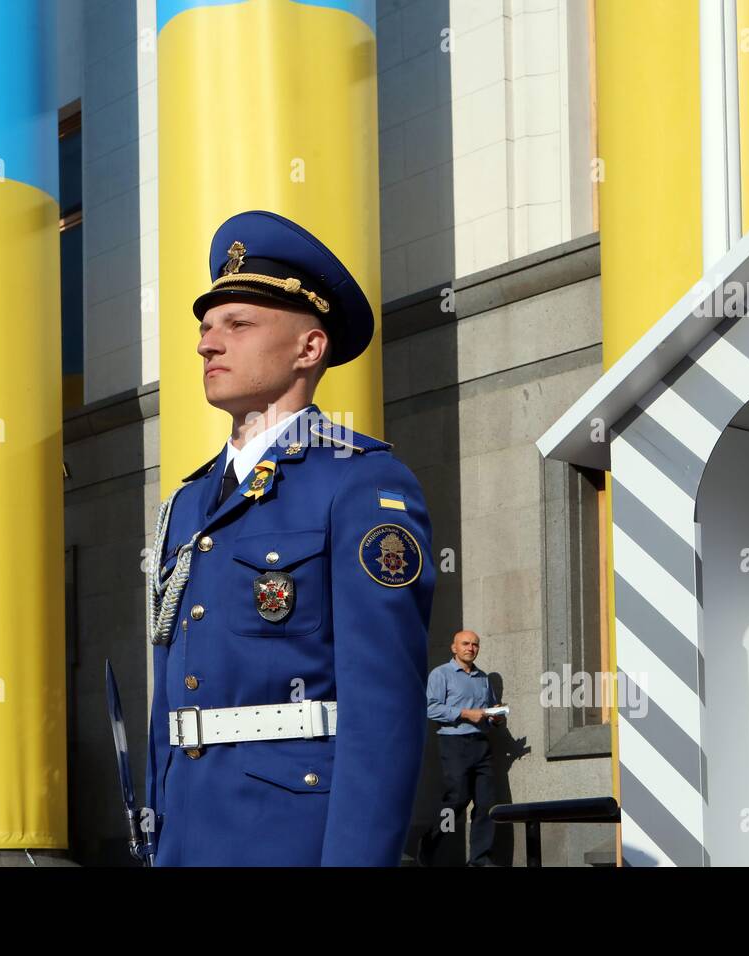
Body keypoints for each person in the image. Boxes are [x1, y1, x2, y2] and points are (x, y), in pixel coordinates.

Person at [143, 209, 436, 866]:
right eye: (206, 328)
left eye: (238, 325)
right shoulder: (189, 503)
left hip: (292, 837)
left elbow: (382, 706)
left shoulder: (361, 485)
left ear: (309, 348)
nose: (207, 345)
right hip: (187, 835)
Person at [418, 630, 505, 867]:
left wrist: (495, 717)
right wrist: (466, 713)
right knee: (456, 800)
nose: (471, 648)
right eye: (465, 644)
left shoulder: (483, 678)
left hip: (482, 745)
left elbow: (486, 712)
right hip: (454, 744)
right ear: (454, 648)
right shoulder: (441, 674)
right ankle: (429, 844)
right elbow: (430, 708)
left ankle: (480, 860)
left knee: (487, 803)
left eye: (475, 644)